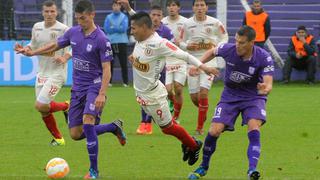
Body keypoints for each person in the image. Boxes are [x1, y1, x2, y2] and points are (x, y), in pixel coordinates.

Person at [15, 1, 126, 179]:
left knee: (88, 122)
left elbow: (107, 69)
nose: (80, 21)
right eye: (78, 18)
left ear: (92, 15)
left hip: (94, 86)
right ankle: (113, 127)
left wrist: (102, 94)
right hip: (78, 87)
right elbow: (54, 46)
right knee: (76, 134)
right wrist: (32, 53)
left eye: (83, 18)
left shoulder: (101, 39)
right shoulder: (73, 32)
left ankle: (93, 171)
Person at [129, 11, 220, 167]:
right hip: (141, 94)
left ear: (144, 27)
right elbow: (140, 17)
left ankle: (193, 145)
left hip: (153, 96)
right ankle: (188, 142)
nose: (131, 31)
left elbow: (184, 55)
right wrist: (129, 8)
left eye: (133, 28)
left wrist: (203, 67)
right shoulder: (141, 38)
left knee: (167, 127)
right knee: (167, 125)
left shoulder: (159, 43)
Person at [187, 26, 274, 180]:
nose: (237, 45)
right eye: (236, 41)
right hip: (230, 96)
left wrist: (265, 88)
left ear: (252, 42)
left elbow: (268, 83)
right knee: (214, 131)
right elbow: (212, 51)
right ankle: (203, 167)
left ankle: (252, 170)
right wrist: (198, 65)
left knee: (254, 127)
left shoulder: (264, 57)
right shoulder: (229, 49)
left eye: (242, 43)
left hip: (253, 97)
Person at [14, 0, 70, 146]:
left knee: (40, 105)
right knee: (44, 110)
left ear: (57, 12)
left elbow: (75, 47)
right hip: (42, 73)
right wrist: (25, 49)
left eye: (52, 11)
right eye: (46, 11)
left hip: (57, 73)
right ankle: (59, 138)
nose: (49, 14)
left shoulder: (64, 29)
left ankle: (66, 107)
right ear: (42, 12)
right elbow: (32, 45)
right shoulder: (37, 27)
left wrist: (65, 56)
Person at [119, 0, 174, 135]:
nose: (155, 18)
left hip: (159, 69)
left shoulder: (165, 31)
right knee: (144, 95)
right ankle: (145, 123)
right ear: (150, 16)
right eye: (153, 15)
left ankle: (162, 112)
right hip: (145, 68)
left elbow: (170, 49)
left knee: (160, 93)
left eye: (158, 15)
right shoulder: (145, 28)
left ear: (162, 17)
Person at [179, 0, 228, 135]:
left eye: (202, 5)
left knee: (203, 93)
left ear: (206, 7)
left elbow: (225, 37)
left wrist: (217, 47)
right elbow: (180, 41)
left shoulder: (215, 23)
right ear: (193, 7)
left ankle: (199, 128)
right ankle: (203, 111)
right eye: (197, 5)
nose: (199, 8)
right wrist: (186, 46)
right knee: (195, 97)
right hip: (193, 63)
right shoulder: (187, 24)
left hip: (209, 62)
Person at [162, 0, 188, 123]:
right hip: (168, 60)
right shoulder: (163, 22)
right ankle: (172, 103)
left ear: (178, 8)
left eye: (174, 5)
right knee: (167, 90)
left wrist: (182, 44)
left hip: (180, 59)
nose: (171, 8)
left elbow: (190, 40)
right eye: (169, 5)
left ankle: (176, 117)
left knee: (178, 88)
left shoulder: (185, 22)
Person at [104, 0, 129, 87]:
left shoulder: (124, 17)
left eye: (117, 5)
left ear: (120, 6)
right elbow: (107, 29)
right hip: (110, 42)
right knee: (110, 63)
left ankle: (125, 82)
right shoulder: (108, 17)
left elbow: (124, 29)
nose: (116, 7)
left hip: (122, 42)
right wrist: (118, 27)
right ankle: (109, 82)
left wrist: (113, 27)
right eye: (114, 5)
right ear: (112, 7)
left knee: (123, 63)